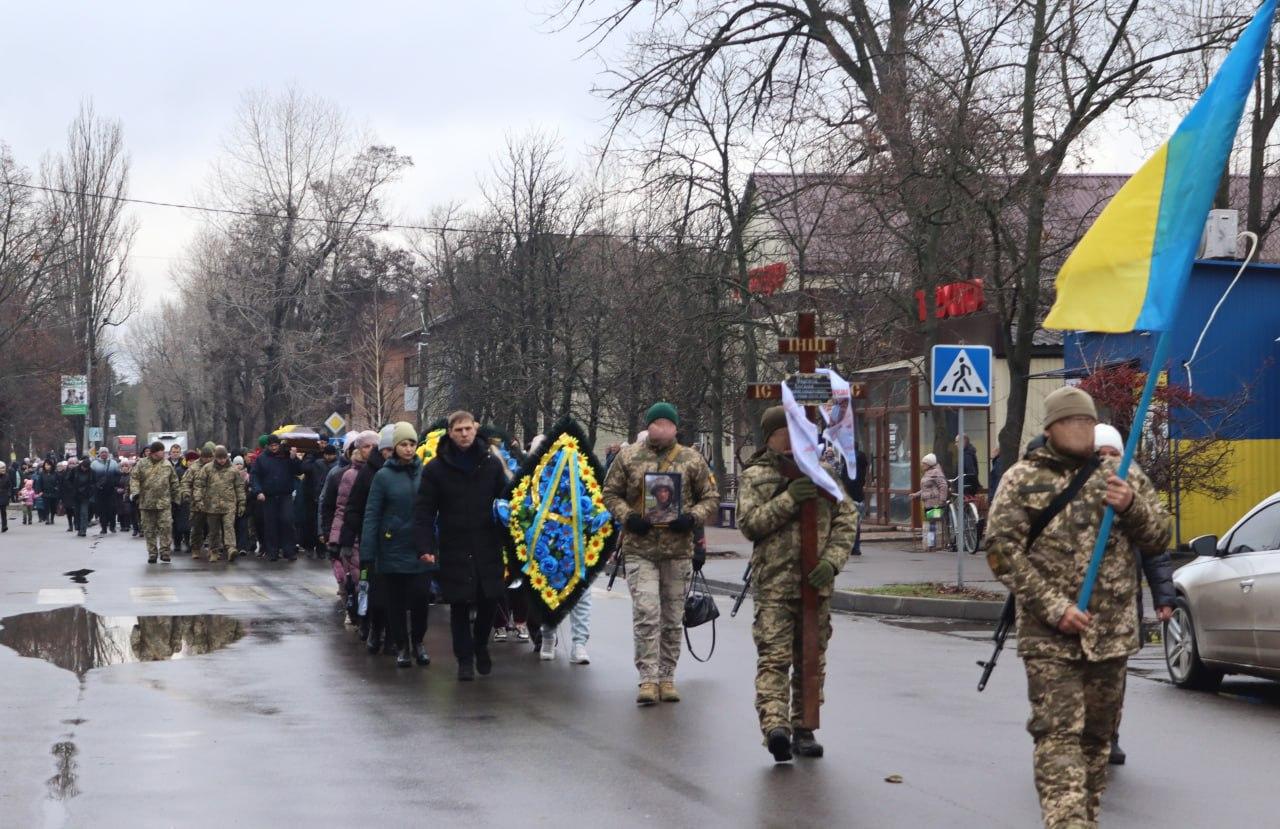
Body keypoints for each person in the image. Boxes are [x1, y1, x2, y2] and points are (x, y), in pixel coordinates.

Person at [985, 387, 1171, 828]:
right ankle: (1067, 822)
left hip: (1111, 635)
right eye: (1072, 422)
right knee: (1057, 736)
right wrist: (1054, 607)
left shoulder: (1120, 474)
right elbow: (1001, 551)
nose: (1082, 430)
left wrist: (1132, 507)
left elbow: (1160, 536)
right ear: (1051, 429)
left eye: (1088, 422)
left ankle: (1084, 817)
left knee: (1096, 741)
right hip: (1051, 638)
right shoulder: (1022, 480)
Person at [738, 406, 859, 762]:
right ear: (771, 436)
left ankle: (804, 727)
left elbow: (846, 520)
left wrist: (832, 561)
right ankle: (776, 728)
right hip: (774, 584)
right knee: (774, 659)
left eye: (798, 432)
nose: (792, 439)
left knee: (811, 660)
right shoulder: (757, 476)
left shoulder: (823, 475)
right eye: (785, 432)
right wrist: (790, 498)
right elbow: (751, 524)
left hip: (814, 586)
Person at [602, 402, 719, 706]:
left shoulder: (691, 459)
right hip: (640, 548)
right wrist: (628, 517)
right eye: (657, 423)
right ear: (649, 425)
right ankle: (647, 678)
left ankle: (667, 676)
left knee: (671, 617)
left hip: (677, 550)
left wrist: (692, 518)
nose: (662, 428)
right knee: (647, 612)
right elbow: (609, 492)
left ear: (676, 428)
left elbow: (710, 496)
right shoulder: (629, 457)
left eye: (668, 423)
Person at [1093, 423, 1174, 767]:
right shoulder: (1075, 488)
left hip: (1122, 604)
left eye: (1114, 454)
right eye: (1101, 455)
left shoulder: (1134, 487)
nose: (1108, 461)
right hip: (1079, 603)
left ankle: (1109, 736)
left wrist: (1163, 597)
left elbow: (1155, 549)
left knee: (1114, 675)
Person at [414, 411, 507, 681]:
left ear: (475, 430)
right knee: (459, 604)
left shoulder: (490, 463)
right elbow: (424, 512)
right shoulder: (436, 469)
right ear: (450, 433)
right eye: (458, 430)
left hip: (487, 543)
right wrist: (425, 546)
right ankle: (464, 659)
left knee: (490, 600)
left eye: (468, 429)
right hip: (454, 545)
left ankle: (480, 643)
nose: (464, 434)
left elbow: (505, 499)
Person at [362, 423, 433, 668]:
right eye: (403, 444)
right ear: (394, 447)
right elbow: (372, 514)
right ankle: (402, 646)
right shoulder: (383, 476)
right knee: (396, 602)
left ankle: (419, 643)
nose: (408, 448)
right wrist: (368, 552)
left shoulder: (425, 473)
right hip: (392, 548)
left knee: (421, 598)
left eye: (412, 444)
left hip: (420, 548)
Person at [343, 426, 391, 652]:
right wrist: (344, 540)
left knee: (393, 591)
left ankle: (392, 634)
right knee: (367, 585)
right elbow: (350, 508)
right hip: (368, 539)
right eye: (367, 446)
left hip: (397, 541)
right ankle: (369, 624)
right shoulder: (364, 474)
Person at [327, 431, 376, 623]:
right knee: (359, 579)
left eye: (374, 446)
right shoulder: (346, 475)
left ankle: (374, 620)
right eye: (366, 446)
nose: (371, 450)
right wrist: (333, 537)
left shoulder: (383, 471)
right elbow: (339, 509)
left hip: (378, 533)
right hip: (355, 534)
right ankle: (362, 617)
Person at [252, 435, 304, 561]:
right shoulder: (261, 459)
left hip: (285, 495)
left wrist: (293, 459)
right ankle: (272, 552)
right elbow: (255, 476)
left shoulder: (286, 456)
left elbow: (298, 471)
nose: (274, 448)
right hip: (268, 496)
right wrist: (258, 491)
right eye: (272, 446)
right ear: (267, 446)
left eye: (276, 445)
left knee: (287, 522)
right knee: (271, 525)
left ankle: (289, 551)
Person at [131, 441, 180, 564]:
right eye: (161, 450)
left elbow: (174, 482)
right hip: (146, 503)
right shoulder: (142, 464)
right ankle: (152, 553)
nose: (163, 453)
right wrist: (136, 493)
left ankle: (165, 552)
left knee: (166, 528)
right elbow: (134, 478)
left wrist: (176, 499)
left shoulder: (167, 465)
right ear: (154, 452)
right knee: (149, 529)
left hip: (164, 503)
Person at [196, 446, 246, 563]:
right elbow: (199, 484)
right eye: (219, 458)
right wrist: (199, 500)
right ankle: (214, 551)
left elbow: (239, 487)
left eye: (224, 458)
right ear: (215, 458)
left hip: (229, 505)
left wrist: (242, 502)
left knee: (229, 527)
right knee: (213, 530)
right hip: (211, 505)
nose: (222, 460)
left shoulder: (233, 470)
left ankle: (231, 549)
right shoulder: (207, 469)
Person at [909, 454, 949, 550]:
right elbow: (925, 489)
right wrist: (916, 495)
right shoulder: (927, 473)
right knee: (932, 523)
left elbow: (943, 486)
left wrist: (942, 500)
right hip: (928, 502)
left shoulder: (936, 472)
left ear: (928, 464)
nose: (922, 465)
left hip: (935, 502)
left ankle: (933, 544)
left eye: (924, 464)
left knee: (933, 523)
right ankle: (932, 543)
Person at [183, 443, 215, 558]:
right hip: (197, 502)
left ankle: (213, 550)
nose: (207, 460)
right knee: (197, 527)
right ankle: (195, 549)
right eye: (205, 457)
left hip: (213, 503)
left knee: (214, 528)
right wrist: (186, 493)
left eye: (210, 457)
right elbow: (186, 482)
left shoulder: (216, 466)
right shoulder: (194, 467)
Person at [837, 446, 870, 556]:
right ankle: (855, 547)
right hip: (859, 496)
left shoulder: (849, 462)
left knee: (847, 522)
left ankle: (849, 546)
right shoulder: (862, 460)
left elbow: (844, 480)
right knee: (856, 522)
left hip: (849, 496)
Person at [90, 448, 120, 534]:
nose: (104, 454)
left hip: (111, 490)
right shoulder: (94, 464)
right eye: (102, 452)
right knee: (102, 510)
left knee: (112, 509)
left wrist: (115, 484)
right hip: (99, 491)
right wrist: (95, 486)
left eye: (105, 452)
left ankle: (112, 526)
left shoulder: (113, 463)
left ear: (108, 453)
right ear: (99, 454)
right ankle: (103, 528)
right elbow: (91, 477)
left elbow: (118, 475)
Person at [65, 457, 95, 537]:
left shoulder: (91, 472)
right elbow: (68, 480)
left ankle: (83, 530)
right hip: (76, 494)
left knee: (84, 513)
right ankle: (78, 526)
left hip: (85, 495)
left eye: (86, 468)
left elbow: (94, 483)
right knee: (77, 512)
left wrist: (90, 490)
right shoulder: (74, 470)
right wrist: (72, 489)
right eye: (83, 467)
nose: (84, 469)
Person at [172, 449, 194, 552]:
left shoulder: (199, 471)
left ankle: (189, 543)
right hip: (180, 501)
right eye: (189, 460)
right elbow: (174, 485)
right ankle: (177, 543)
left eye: (194, 460)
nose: (191, 462)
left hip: (193, 501)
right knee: (178, 524)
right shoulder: (179, 470)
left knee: (190, 524)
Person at [34, 459, 60, 525]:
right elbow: (39, 483)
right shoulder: (42, 474)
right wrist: (39, 491)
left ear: (51, 465)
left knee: (53, 506)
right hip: (45, 492)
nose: (47, 466)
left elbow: (59, 482)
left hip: (54, 493)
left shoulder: (55, 473)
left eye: (48, 465)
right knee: (46, 506)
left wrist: (57, 488)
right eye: (45, 465)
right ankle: (47, 519)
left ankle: (52, 518)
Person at [0, 463, 10, 531]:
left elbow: (9, 486)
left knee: (3, 511)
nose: (3, 469)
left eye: (4, 468)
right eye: (1, 468)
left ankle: (4, 526)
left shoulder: (7, 476)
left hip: (4, 495)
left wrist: (9, 494)